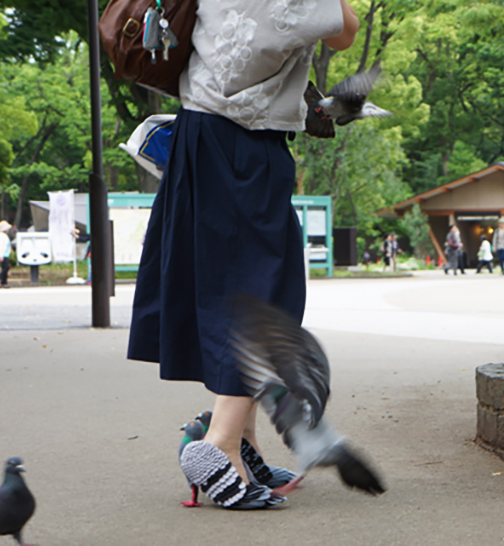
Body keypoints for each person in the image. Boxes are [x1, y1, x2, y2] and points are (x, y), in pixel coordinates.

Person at [126, 0, 359, 510]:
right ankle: (220, 446)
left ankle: (244, 443)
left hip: (200, 134)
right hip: (242, 144)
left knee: (227, 288)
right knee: (264, 294)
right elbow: (346, 29)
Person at [0, 220, 12, 288]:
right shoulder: (1, 236)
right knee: (6, 267)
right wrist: (1, 256)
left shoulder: (4, 235)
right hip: (3, 255)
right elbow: (0, 246)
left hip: (5, 254)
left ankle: (4, 283)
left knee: (5, 268)